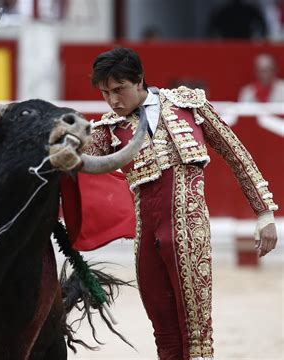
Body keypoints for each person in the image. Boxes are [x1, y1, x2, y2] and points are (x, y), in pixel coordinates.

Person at [84, 47, 278, 360]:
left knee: (198, 338)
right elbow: (70, 170)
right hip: (146, 240)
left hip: (189, 234)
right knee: (166, 337)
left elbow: (236, 154)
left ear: (139, 81)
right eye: (105, 93)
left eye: (119, 90)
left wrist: (264, 212)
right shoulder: (107, 130)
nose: (113, 101)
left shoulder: (189, 105)